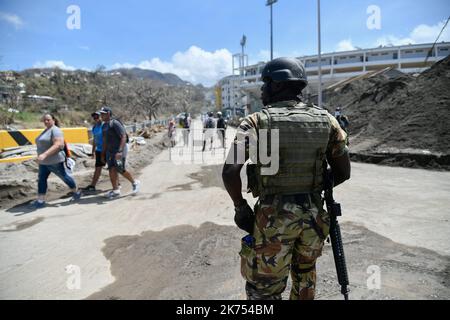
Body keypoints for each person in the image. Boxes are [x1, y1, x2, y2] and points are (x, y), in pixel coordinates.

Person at [222, 57, 351, 300]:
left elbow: (230, 171)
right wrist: (312, 190)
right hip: (313, 219)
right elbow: (343, 172)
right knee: (305, 278)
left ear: (279, 84)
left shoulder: (256, 122)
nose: (261, 89)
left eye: (265, 83)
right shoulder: (328, 121)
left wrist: (241, 208)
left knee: (265, 287)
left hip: (272, 220)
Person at [32, 114, 81, 208]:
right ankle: (40, 200)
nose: (46, 122)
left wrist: (44, 155)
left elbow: (58, 145)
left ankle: (77, 192)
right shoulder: (46, 130)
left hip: (54, 161)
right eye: (44, 120)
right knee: (41, 180)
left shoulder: (56, 131)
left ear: (53, 120)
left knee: (64, 177)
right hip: (43, 162)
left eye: (48, 120)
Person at [99, 106, 140, 199]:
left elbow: (123, 136)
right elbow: (105, 141)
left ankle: (135, 183)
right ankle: (116, 190)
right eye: (101, 114)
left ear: (108, 114)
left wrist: (120, 151)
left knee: (120, 168)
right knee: (111, 169)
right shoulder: (104, 126)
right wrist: (103, 154)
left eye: (103, 114)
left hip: (119, 150)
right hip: (110, 151)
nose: (101, 115)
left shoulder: (115, 123)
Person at [82, 112, 105, 192]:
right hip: (99, 150)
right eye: (94, 117)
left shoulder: (105, 126)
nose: (96, 118)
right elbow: (95, 140)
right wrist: (93, 151)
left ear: (101, 116)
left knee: (113, 168)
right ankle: (92, 185)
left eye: (97, 116)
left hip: (107, 150)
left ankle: (117, 184)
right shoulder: (95, 127)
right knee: (98, 168)